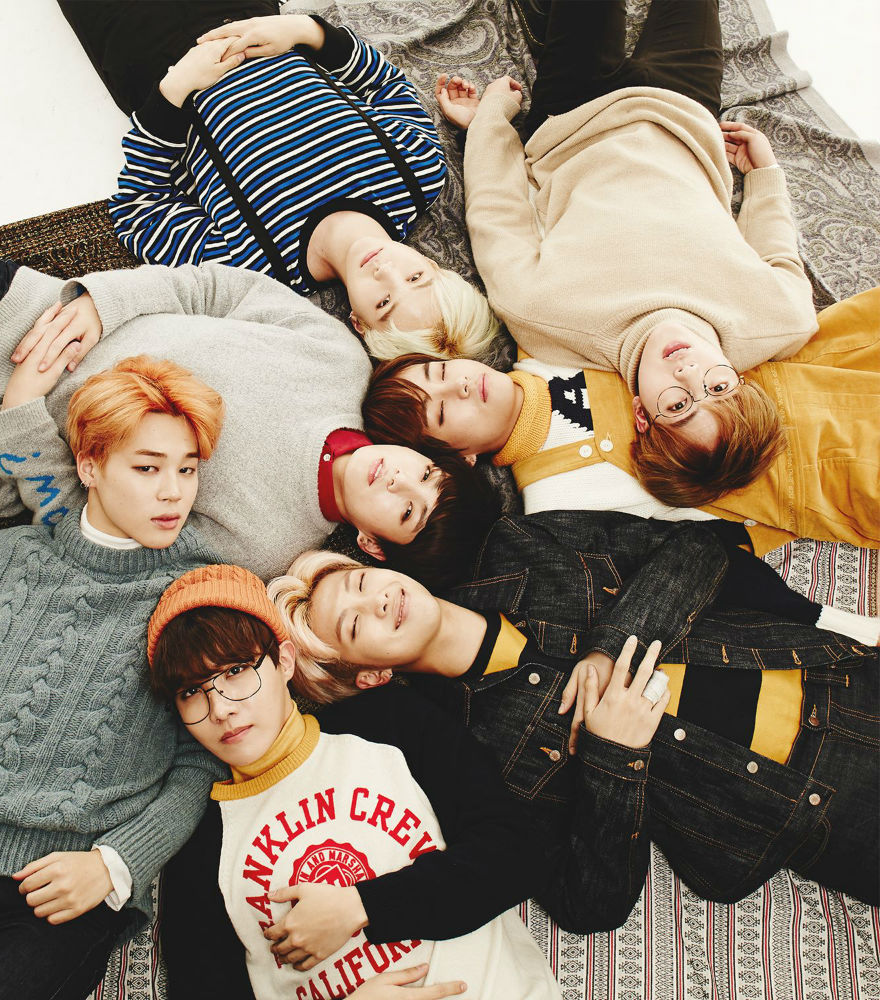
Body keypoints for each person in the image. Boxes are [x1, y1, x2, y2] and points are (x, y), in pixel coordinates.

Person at [269, 510, 879, 926]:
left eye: (361, 581)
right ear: (372, 676)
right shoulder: (481, 753)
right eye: (356, 624)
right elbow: (587, 903)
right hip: (816, 806)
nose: (377, 600)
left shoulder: (518, 544)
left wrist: (610, 645)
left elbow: (700, 547)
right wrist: (615, 757)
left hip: (839, 676)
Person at [0, 188, 497, 584]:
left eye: (407, 510)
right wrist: (101, 303)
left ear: (373, 545)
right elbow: (213, 288)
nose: (398, 480)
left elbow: (87, 540)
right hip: (8, 305)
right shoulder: (339, 359)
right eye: (425, 473)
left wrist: (19, 414)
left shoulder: (261, 549)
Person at [0, 357, 226, 1000]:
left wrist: (116, 864)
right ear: (90, 466)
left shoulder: (200, 592)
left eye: (187, 469)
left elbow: (203, 761)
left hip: (56, 902)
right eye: (147, 468)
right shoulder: (9, 558)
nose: (174, 492)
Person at [434, 0, 820, 500]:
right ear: (741, 382)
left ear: (641, 414)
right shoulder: (782, 320)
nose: (689, 373)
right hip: (685, 109)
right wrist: (765, 174)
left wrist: (491, 123)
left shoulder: (546, 321)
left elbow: (498, 212)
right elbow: (778, 252)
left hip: (574, 115)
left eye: (678, 405)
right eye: (718, 388)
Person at [146, 563, 560, 999]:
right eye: (191, 692)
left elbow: (519, 854)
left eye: (235, 672)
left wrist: (362, 905)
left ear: (283, 661)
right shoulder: (200, 849)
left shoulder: (390, 723)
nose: (221, 709)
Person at [75, 4, 503, 360]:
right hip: (248, 15)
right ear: (434, 265)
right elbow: (385, 86)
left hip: (145, 51)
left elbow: (137, 209)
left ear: (358, 321)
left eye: (383, 302)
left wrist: (174, 90)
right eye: (415, 278)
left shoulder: (254, 265)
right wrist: (307, 31)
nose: (385, 271)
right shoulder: (417, 174)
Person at [360, 284, 880, 553]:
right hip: (805, 474)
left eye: (442, 371)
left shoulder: (540, 340)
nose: (460, 385)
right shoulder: (554, 504)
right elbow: (697, 540)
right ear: (462, 457)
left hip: (794, 373)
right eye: (444, 410)